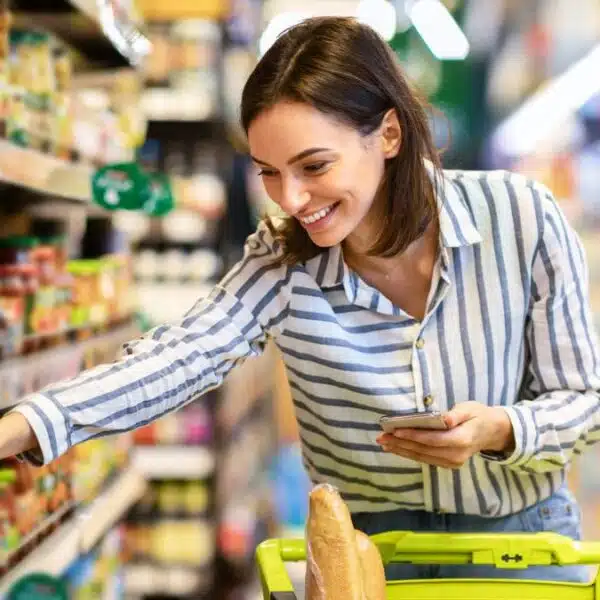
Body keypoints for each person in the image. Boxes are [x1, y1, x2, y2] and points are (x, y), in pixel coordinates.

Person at [2, 16, 600, 583]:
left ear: (388, 133)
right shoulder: (283, 260)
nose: (291, 197)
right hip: (361, 557)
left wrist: (502, 429)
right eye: (268, 171)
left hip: (521, 550)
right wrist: (25, 424)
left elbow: (585, 401)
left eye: (313, 165)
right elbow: (181, 356)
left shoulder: (521, 218)